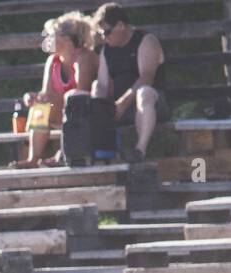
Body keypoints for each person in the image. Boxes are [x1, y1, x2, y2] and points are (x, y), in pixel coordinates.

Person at [11, 12, 99, 169]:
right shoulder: (53, 61)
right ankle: (33, 159)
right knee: (39, 109)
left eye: (51, 35)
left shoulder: (85, 57)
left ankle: (64, 152)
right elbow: (47, 94)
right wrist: (32, 98)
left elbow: (81, 94)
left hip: (86, 116)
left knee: (74, 101)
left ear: (66, 38)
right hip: (63, 114)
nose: (47, 39)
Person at [91, 2, 169, 163]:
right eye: (101, 34)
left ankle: (139, 151)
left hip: (152, 104)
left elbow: (146, 77)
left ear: (120, 26)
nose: (104, 38)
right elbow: (102, 84)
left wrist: (122, 103)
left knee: (144, 92)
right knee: (95, 89)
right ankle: (94, 153)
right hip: (121, 108)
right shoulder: (107, 50)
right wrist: (99, 106)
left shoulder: (146, 40)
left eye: (107, 32)